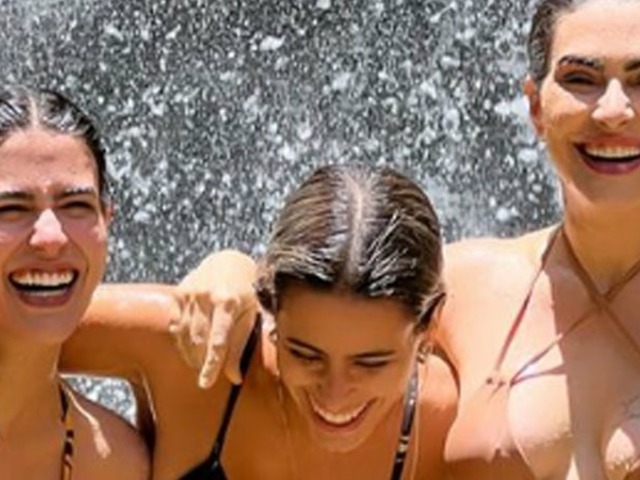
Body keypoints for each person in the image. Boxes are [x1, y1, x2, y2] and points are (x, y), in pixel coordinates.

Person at [171, 0, 640, 478]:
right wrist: (232, 269)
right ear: (536, 106)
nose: (614, 111)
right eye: (581, 79)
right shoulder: (465, 285)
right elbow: (319, 310)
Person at [62, 164, 457, 479]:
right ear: (269, 305)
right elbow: (27, 330)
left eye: (371, 363)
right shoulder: (199, 353)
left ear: (429, 325)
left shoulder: (452, 431)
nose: (334, 396)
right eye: (305, 355)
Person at [0, 86, 148, 479]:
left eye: (76, 206)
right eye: (11, 209)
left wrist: (230, 266)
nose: (51, 238)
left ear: (107, 221)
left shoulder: (115, 463)